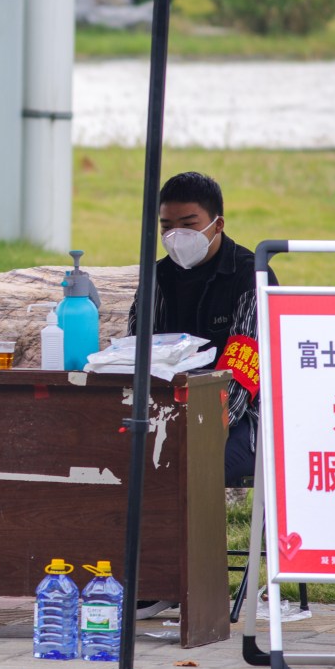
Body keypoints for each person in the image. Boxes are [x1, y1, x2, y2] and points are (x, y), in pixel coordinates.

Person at [127, 172, 276, 488]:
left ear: (217, 224)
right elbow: (134, 352)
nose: (176, 236)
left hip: (241, 418)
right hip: (165, 409)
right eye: (167, 227)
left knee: (190, 462)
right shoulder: (156, 278)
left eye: (188, 225)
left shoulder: (249, 276)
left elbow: (243, 373)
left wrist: (198, 426)